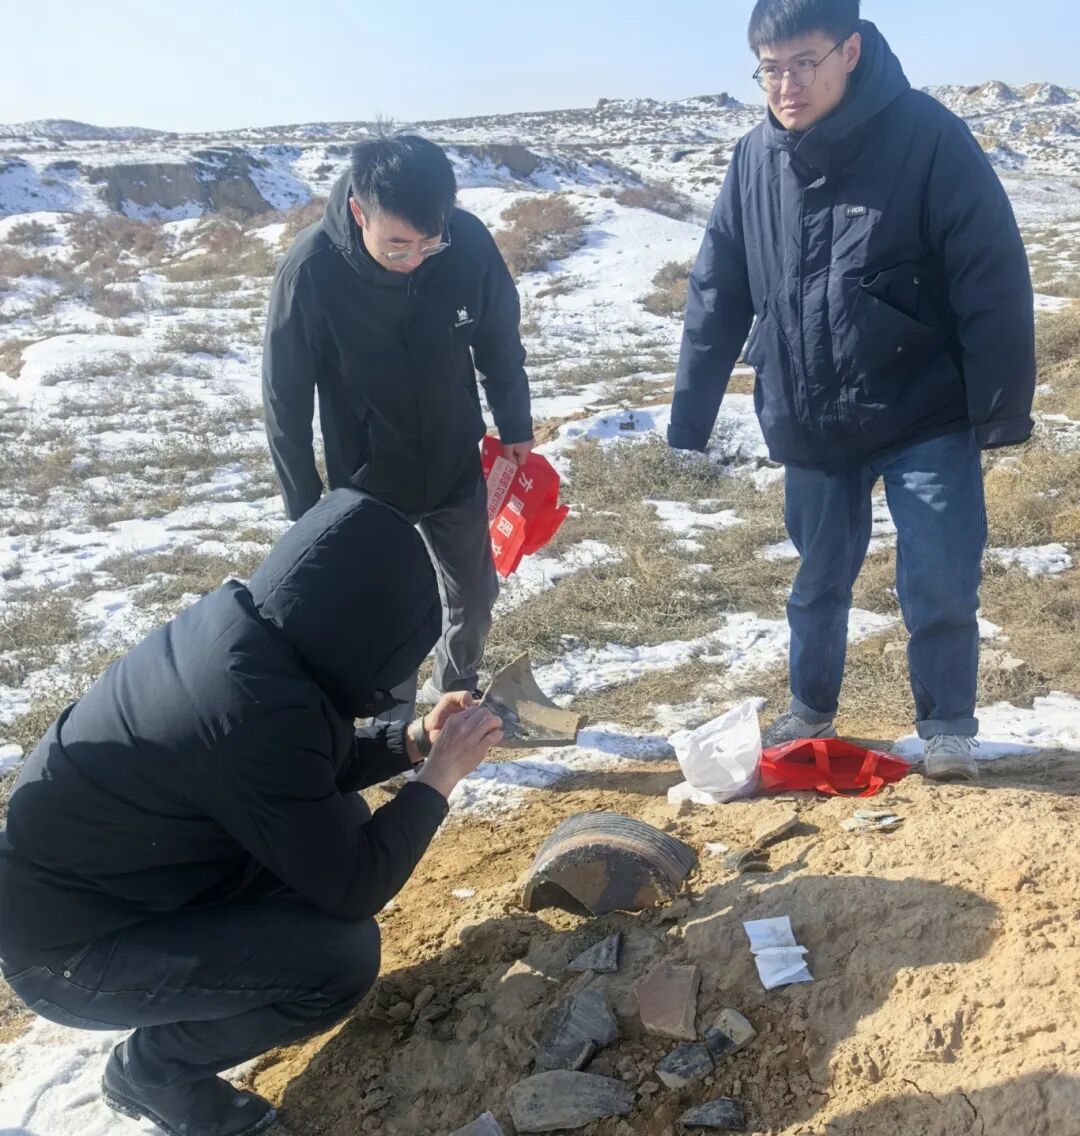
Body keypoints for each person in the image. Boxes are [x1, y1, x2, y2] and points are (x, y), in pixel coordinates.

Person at [0, 491, 503, 1136]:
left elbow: (292, 769)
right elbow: (356, 885)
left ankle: (223, 975)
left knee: (342, 825)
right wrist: (439, 778)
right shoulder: (247, 710)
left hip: (120, 881)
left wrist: (413, 741)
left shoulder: (251, 635)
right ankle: (152, 1074)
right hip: (69, 953)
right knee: (337, 960)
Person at [668, 0, 1036, 781]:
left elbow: (990, 268)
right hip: (810, 412)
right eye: (770, 69)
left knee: (939, 578)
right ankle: (810, 708)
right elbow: (717, 286)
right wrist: (689, 416)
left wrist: (1001, 406)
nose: (787, 86)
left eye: (804, 63)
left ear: (851, 51)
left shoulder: (928, 136)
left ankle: (946, 728)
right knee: (817, 579)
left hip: (924, 407)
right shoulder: (754, 158)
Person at [263, 131, 534, 712]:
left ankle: (454, 693)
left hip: (454, 455)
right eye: (397, 246)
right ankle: (393, 728)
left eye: (429, 245)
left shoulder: (467, 243)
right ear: (360, 212)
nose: (413, 259)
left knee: (475, 593)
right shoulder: (310, 270)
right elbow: (285, 396)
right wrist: (304, 504)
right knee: (389, 612)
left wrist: (514, 424)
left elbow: (497, 337)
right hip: (370, 476)